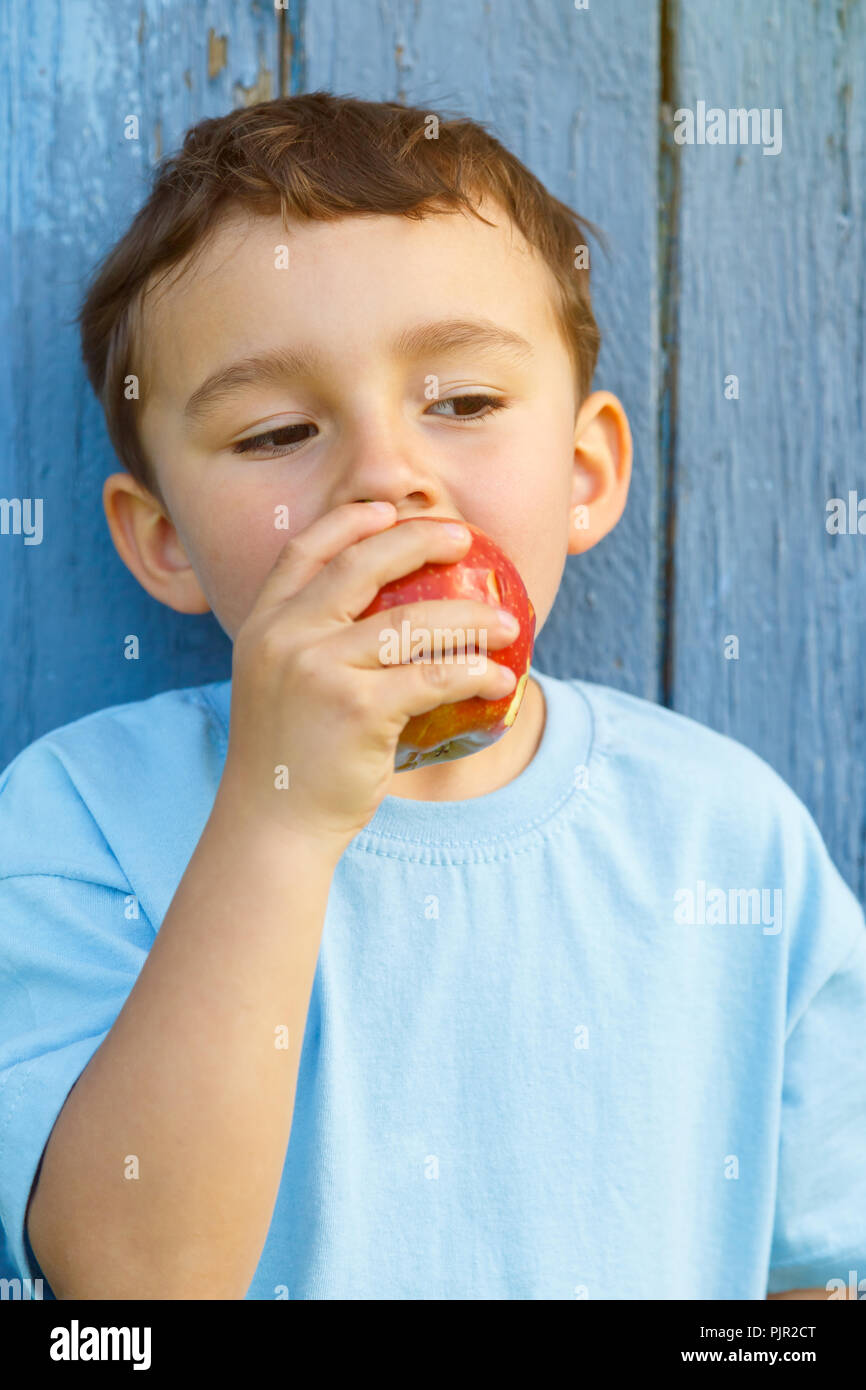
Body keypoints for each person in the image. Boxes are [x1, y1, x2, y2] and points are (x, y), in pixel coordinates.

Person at [1, 93, 863, 1300]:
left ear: (581, 474)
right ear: (166, 543)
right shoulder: (76, 820)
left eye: (460, 403)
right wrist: (279, 808)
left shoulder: (727, 833)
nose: (386, 476)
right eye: (277, 431)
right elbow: (127, 1289)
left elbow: (806, 1274)